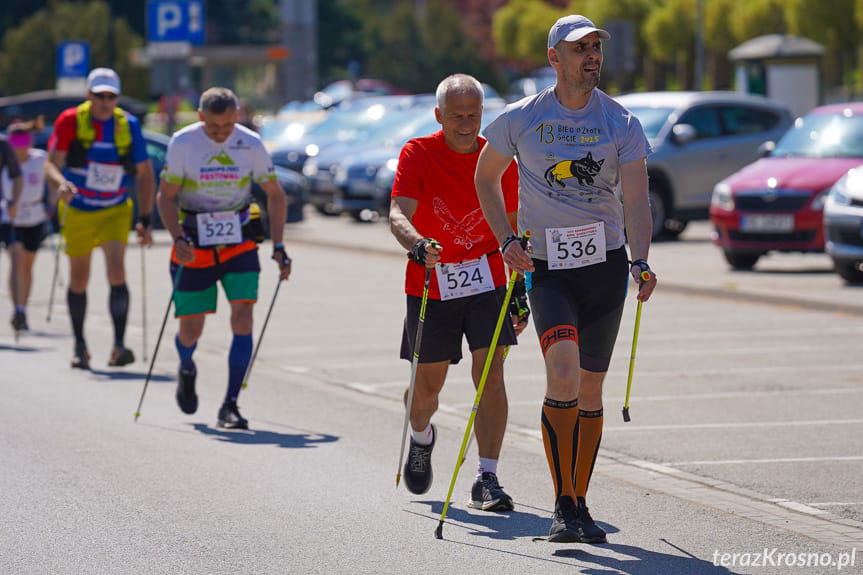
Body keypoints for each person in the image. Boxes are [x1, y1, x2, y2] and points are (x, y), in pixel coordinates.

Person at [475, 15, 657, 542]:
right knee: (563, 373)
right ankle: (560, 504)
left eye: (597, 46)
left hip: (604, 267)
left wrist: (640, 260)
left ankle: (581, 502)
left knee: (592, 388)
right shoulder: (522, 117)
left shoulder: (620, 121)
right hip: (548, 269)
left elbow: (637, 200)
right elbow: (485, 178)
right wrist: (507, 240)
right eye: (580, 48)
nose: (591, 55)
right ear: (555, 57)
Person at [390, 74, 527, 510]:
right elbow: (398, 211)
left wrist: (520, 287)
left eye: (473, 115)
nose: (467, 125)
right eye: (456, 117)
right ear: (438, 116)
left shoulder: (500, 157)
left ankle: (487, 476)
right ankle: (421, 436)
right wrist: (416, 244)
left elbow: (515, 224)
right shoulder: (418, 152)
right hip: (431, 281)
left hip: (488, 279)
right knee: (426, 389)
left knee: (491, 377)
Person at [157, 87, 291, 430]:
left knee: (243, 316)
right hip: (194, 241)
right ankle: (186, 366)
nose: (222, 133)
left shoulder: (250, 143)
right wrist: (177, 237)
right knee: (191, 328)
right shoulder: (183, 143)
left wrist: (278, 245)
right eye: (215, 127)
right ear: (201, 117)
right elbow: (166, 197)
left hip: (239, 240)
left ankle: (230, 404)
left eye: (228, 125)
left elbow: (275, 195)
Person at [49, 67, 155, 368]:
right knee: (80, 277)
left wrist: (145, 217)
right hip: (79, 208)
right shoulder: (71, 121)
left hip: (115, 208)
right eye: (99, 96)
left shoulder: (128, 125)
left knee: (117, 271)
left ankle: (119, 346)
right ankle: (80, 345)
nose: (105, 102)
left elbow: (145, 174)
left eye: (111, 96)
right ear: (89, 95)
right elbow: (51, 164)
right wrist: (60, 183)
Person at [2, 118, 76, 332]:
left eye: (24, 139)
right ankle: (18, 309)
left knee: (27, 264)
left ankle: (23, 306)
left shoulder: (39, 159)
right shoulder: (4, 160)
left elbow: (52, 181)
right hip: (10, 217)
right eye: (15, 140)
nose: (20, 146)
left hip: (34, 216)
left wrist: (50, 205)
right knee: (16, 259)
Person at [0, 130, 22, 321]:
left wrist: (14, 201)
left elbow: (17, 175)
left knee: (16, 255)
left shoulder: (3, 144)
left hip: (2, 211)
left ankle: (19, 309)